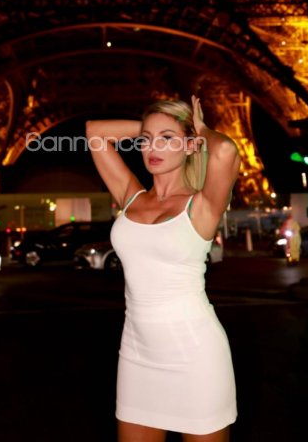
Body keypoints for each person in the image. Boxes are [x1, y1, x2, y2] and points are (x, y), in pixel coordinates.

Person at [86, 95, 241, 442]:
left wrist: (198, 130)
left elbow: (226, 151)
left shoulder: (201, 205)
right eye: (146, 140)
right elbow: (94, 132)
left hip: (195, 356)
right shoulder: (132, 196)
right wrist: (155, 129)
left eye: (167, 139)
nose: (152, 147)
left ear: (190, 146)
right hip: (136, 354)